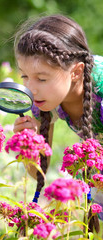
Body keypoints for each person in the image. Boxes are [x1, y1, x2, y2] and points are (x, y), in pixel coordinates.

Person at [13, 14, 103, 233]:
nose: (31, 88)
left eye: (41, 78)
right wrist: (30, 148)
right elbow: (39, 173)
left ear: (76, 72)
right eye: (24, 76)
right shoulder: (41, 99)